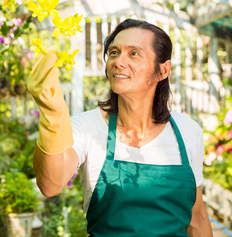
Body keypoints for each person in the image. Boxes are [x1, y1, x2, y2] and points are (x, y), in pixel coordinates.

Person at [27, 19, 213, 236]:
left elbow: (197, 217)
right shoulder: (87, 127)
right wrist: (51, 114)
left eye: (134, 54)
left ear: (163, 70)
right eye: (114, 52)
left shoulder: (187, 131)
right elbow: (50, 185)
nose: (118, 61)